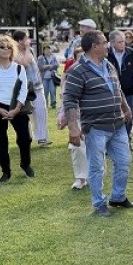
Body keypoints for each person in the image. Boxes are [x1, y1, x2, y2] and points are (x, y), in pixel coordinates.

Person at [63, 30, 133, 216]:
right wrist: (73, 128)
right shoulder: (77, 70)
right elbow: (70, 99)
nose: (108, 45)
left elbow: (117, 89)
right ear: (94, 46)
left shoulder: (109, 65)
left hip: (117, 125)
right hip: (96, 128)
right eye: (104, 42)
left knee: (124, 161)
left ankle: (118, 197)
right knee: (97, 167)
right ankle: (98, 203)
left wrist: (126, 108)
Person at [0, 35, 34, 183]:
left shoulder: (19, 68)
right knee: (0, 141)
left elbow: (23, 90)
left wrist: (17, 108)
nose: (5, 50)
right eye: (2, 47)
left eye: (9, 47)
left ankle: (26, 165)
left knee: (25, 138)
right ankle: (5, 171)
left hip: (17, 107)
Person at [57, 47, 89, 190]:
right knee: (77, 146)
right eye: (79, 56)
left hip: (94, 114)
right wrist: (63, 116)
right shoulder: (72, 73)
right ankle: (80, 178)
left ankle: (94, 175)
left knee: (95, 146)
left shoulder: (99, 70)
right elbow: (66, 97)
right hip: (76, 114)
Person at [13, 30, 51, 147]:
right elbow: (24, 63)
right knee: (25, 113)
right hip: (24, 89)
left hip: (37, 86)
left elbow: (34, 67)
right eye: (26, 39)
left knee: (41, 111)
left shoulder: (29, 51)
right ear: (19, 41)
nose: (28, 41)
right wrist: (27, 47)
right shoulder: (14, 53)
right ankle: (27, 137)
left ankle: (42, 138)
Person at [106, 30, 133, 141]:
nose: (123, 44)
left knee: (128, 116)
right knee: (112, 117)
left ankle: (126, 139)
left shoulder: (130, 53)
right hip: (111, 93)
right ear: (112, 43)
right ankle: (112, 141)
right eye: (119, 42)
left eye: (123, 42)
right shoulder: (106, 54)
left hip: (128, 92)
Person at [37, 44, 60, 108]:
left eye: (48, 49)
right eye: (46, 50)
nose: (47, 51)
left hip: (52, 77)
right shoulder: (40, 58)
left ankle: (53, 104)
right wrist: (50, 66)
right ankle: (45, 104)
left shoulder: (53, 57)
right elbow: (41, 67)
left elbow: (57, 65)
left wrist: (48, 66)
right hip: (44, 78)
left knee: (53, 91)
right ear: (43, 51)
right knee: (45, 91)